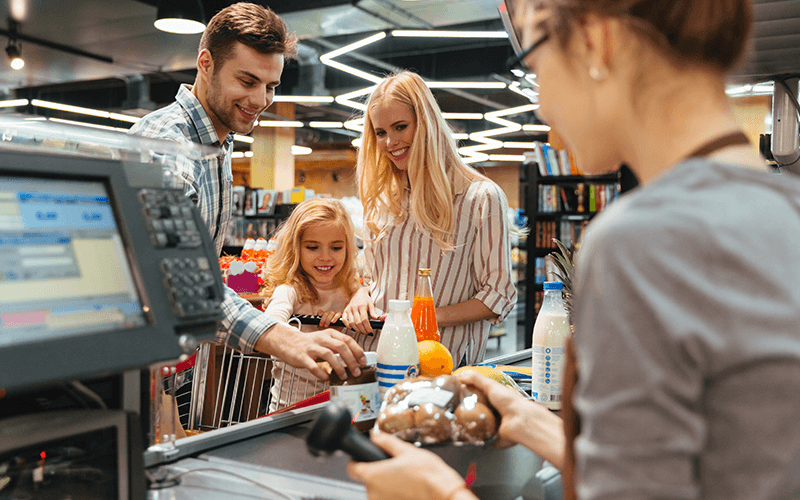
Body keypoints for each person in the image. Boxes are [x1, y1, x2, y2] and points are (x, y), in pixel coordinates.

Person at [348, 0, 800, 499]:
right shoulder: (783, 211)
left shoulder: (640, 242)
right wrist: (533, 423)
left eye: (537, 64)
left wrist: (441, 493)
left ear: (595, 42)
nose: (542, 105)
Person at [129, 2, 364, 382]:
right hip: (129, 364)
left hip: (165, 361)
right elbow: (178, 278)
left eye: (270, 86)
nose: (260, 100)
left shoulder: (216, 143)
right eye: (247, 81)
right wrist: (281, 337)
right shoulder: (167, 149)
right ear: (206, 63)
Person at [342, 71, 517, 366]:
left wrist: (427, 317)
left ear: (426, 123)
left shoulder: (479, 198)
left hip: (440, 362)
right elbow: (372, 277)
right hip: (377, 354)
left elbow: (498, 294)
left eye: (400, 127)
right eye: (380, 132)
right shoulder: (384, 200)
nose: (389, 142)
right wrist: (360, 294)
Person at [260, 198, 363, 411]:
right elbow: (269, 324)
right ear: (295, 247)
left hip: (342, 405)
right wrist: (314, 339)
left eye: (336, 247)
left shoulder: (351, 290)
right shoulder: (291, 290)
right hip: (290, 408)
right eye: (313, 247)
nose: (325, 257)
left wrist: (341, 323)